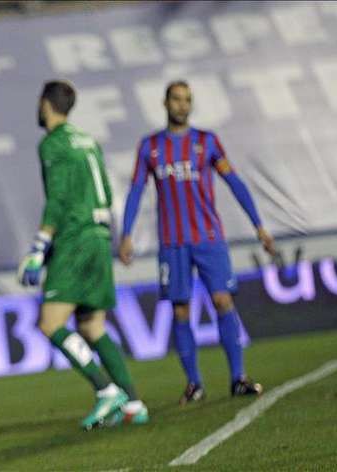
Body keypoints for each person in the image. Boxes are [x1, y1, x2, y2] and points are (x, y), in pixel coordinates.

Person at [119, 80, 276, 404]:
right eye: (176, 99)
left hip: (208, 238)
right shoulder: (150, 147)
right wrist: (127, 234)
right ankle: (194, 384)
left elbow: (234, 181)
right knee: (180, 310)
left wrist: (258, 224)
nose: (182, 105)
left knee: (222, 301)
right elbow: (136, 190)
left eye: (187, 100)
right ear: (165, 103)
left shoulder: (208, 142)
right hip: (173, 242)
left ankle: (238, 378)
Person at [18, 80, 148, 431]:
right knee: (92, 326)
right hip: (99, 236)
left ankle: (106, 390)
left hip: (74, 238)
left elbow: (57, 200)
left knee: (50, 323)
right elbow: (106, 191)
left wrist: (39, 247)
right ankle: (133, 401)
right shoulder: (88, 141)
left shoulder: (53, 144)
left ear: (46, 104)